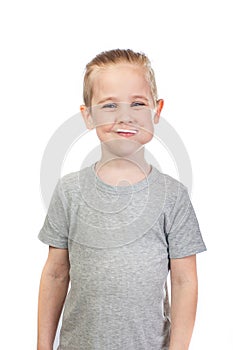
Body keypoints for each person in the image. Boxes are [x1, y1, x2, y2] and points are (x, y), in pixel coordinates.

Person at [37, 49, 207, 350]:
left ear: (157, 111)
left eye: (138, 104)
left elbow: (184, 282)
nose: (125, 116)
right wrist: (42, 346)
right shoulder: (69, 191)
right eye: (110, 105)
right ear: (88, 115)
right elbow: (55, 272)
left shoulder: (173, 197)